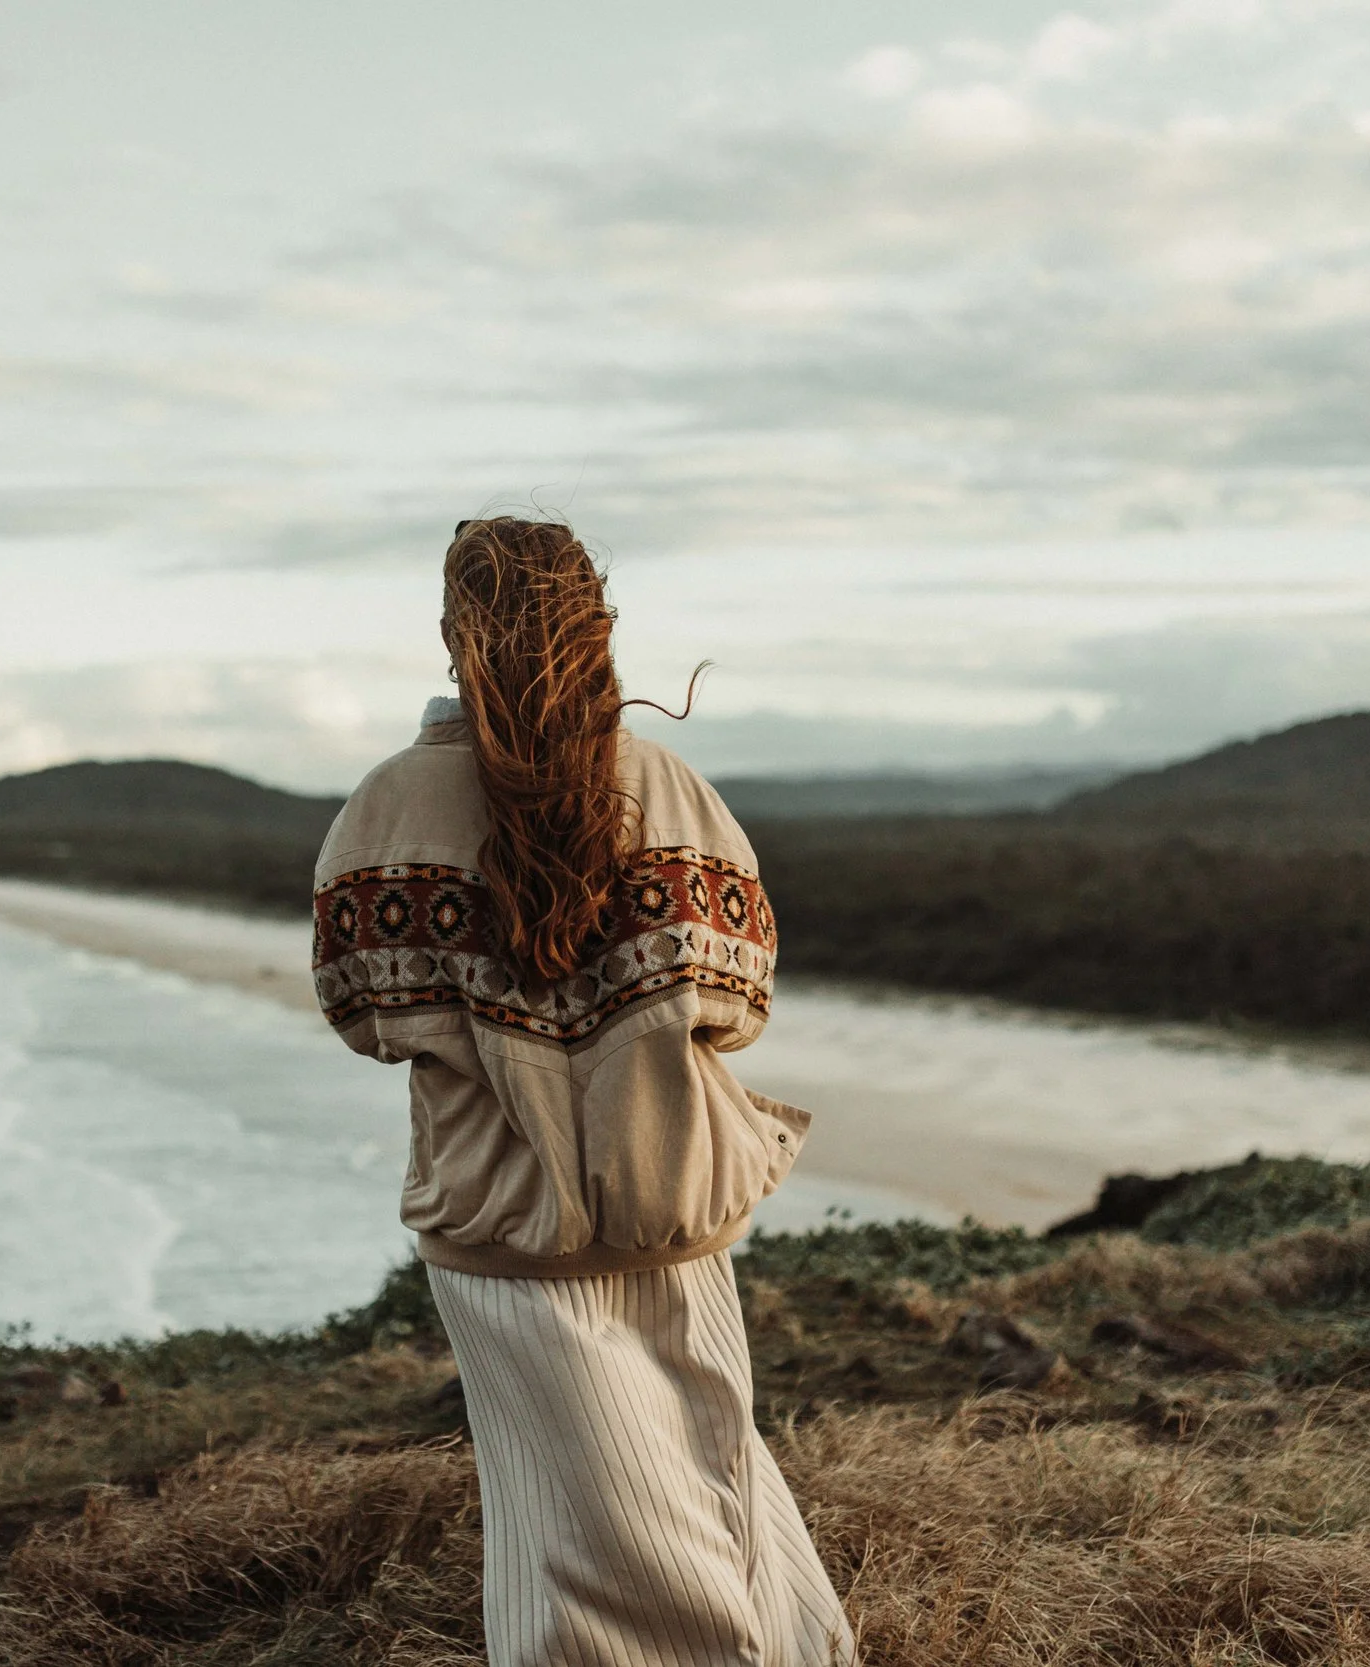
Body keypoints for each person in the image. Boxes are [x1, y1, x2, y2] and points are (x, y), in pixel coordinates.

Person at [312, 517, 854, 1667]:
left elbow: (363, 1015)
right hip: (673, 1202)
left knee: (577, 1534)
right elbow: (740, 1006)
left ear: (458, 634)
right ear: (593, 625)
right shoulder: (665, 784)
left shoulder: (387, 802)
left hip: (497, 1221)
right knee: (718, 1483)